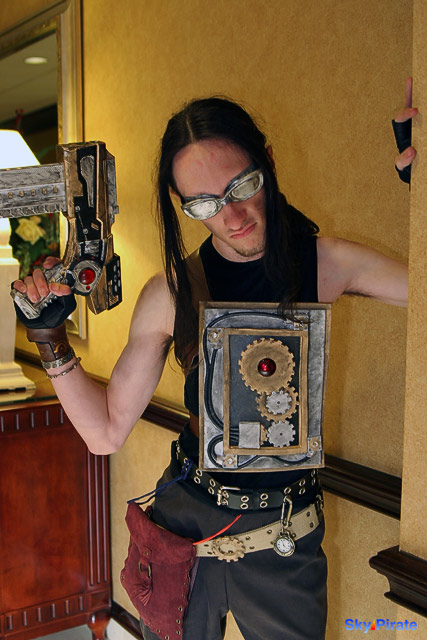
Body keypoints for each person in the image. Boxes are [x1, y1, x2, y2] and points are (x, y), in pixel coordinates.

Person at [13, 85, 417, 640]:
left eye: (242, 186)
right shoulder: (172, 292)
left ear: (267, 162)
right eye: (203, 204)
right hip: (182, 535)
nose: (232, 215)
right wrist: (49, 336)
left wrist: (420, 185)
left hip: (284, 537)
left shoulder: (328, 264)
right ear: (182, 205)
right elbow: (105, 433)